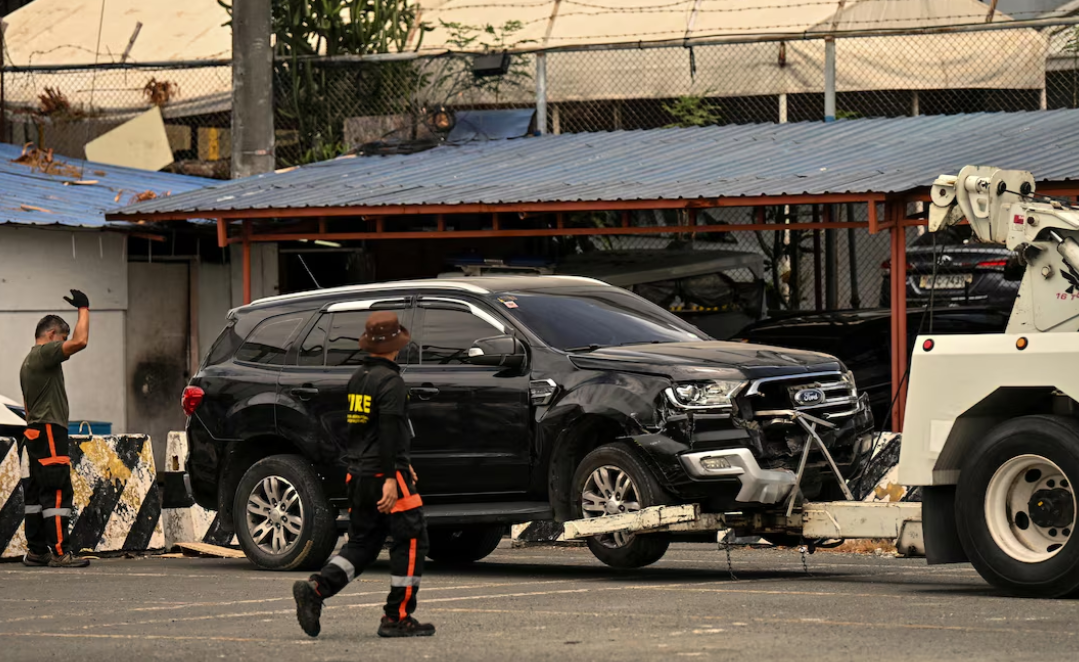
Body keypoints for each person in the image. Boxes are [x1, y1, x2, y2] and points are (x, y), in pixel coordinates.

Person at [293, 311, 434, 639]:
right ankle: (396, 617)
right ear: (394, 346)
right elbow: (387, 431)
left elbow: (363, 432)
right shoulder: (391, 382)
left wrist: (400, 463)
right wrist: (391, 476)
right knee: (413, 540)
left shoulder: (359, 378)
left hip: (357, 474)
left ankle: (316, 588)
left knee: (364, 544)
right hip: (384, 475)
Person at [19, 289, 91, 568]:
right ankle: (60, 552)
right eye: (61, 339)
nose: (63, 347)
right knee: (58, 491)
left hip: (34, 431)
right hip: (50, 430)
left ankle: (37, 550)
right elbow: (80, 341)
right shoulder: (45, 353)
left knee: (36, 495)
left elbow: (26, 406)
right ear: (51, 335)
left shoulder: (27, 362)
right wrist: (84, 308)